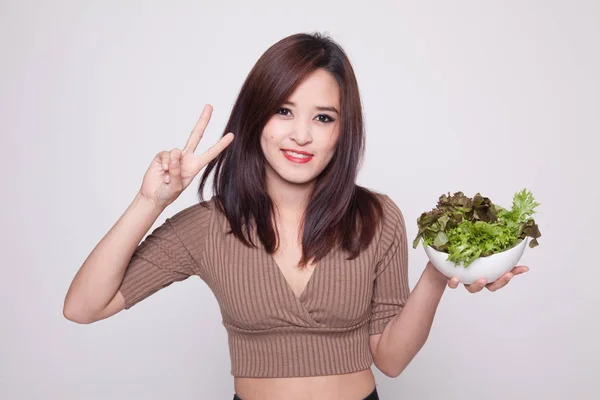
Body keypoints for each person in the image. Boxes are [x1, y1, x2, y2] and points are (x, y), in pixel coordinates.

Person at [63, 32, 529, 400]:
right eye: (284, 111)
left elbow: (389, 359)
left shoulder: (378, 217)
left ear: (343, 131)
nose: (301, 135)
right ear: (255, 117)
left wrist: (438, 267)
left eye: (323, 117)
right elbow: (84, 307)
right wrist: (152, 202)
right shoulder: (208, 227)